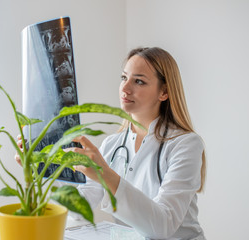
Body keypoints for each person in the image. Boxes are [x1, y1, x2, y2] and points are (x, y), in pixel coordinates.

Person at [18, 47, 206, 239]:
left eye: (139, 81)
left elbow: (163, 227)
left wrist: (105, 175)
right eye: (124, 78)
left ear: (164, 92)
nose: (125, 88)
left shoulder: (185, 145)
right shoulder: (113, 144)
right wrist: (42, 166)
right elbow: (77, 210)